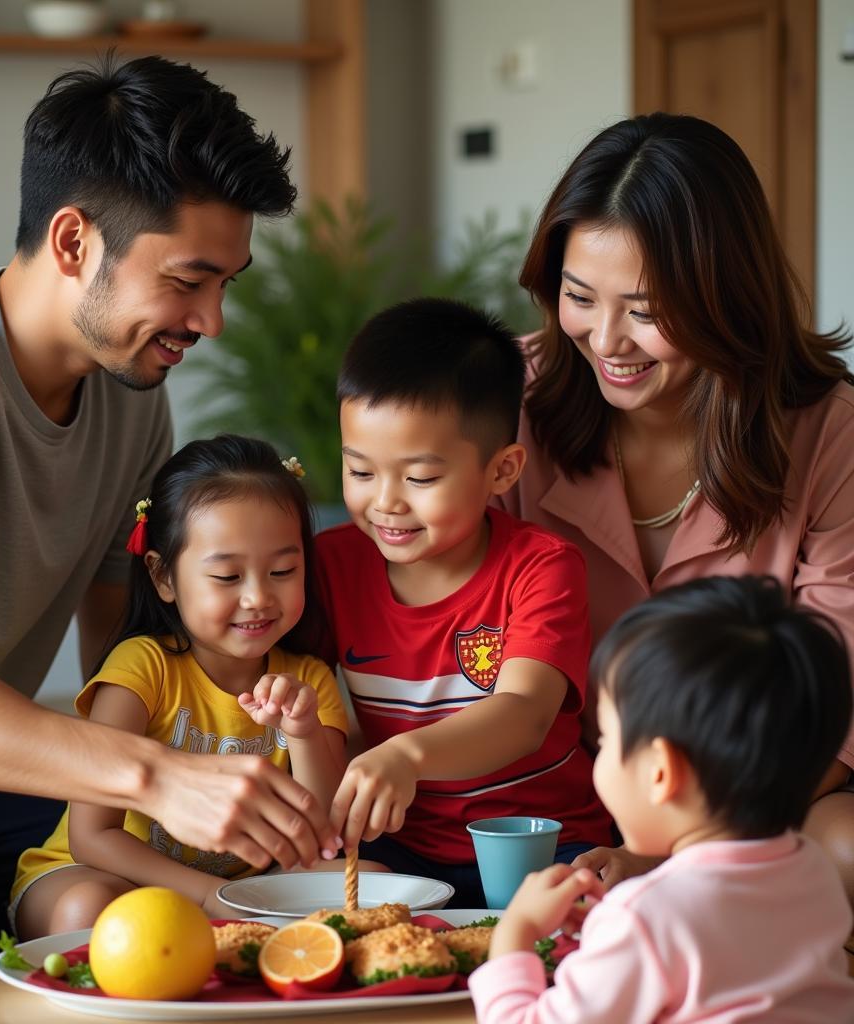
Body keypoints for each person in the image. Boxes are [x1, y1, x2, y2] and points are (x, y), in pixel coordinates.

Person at [0, 55, 342, 985]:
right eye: (190, 280)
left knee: (107, 901)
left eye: (227, 283)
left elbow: (135, 647)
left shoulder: (131, 393)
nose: (214, 320)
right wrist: (153, 779)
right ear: (73, 241)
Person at [501, 112, 854, 902]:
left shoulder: (829, 431)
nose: (607, 340)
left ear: (726, 297)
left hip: (749, 806)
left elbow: (835, 703)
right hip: (531, 790)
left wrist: (678, 847)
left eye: (648, 310)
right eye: (579, 296)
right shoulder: (508, 399)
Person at [317, 298, 612, 908]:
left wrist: (406, 754)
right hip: (402, 846)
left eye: (420, 479)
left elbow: (525, 714)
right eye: (360, 472)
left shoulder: (542, 566)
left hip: (543, 842)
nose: (386, 503)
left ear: (502, 470)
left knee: (583, 924)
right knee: (325, 899)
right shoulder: (332, 565)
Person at [470, 575, 854, 1023]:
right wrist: (606, 934)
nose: (602, 750)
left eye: (608, 737)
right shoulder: (812, 872)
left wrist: (513, 938)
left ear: (659, 772)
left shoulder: (644, 916)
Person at [11, 436, 348, 938]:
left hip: (241, 891)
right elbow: (92, 836)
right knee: (91, 912)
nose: (258, 597)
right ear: (163, 576)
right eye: (228, 576)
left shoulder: (309, 680)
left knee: (364, 885)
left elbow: (320, 836)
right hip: (105, 874)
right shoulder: (142, 669)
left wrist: (302, 731)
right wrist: (208, 896)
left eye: (283, 571)